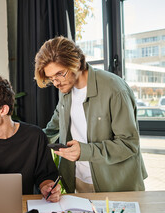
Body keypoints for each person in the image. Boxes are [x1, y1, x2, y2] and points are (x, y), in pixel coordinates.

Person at [34, 36, 148, 193]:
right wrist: (21, 141)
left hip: (116, 185)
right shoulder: (65, 91)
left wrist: (85, 151)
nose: (56, 83)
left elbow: (129, 144)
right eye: (51, 78)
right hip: (79, 181)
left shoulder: (114, 90)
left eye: (60, 74)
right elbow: (52, 129)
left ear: (77, 63)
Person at [0, 75, 61, 202]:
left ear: (3, 110)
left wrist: (47, 188)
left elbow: (45, 176)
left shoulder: (34, 136)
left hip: (23, 206)